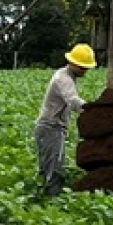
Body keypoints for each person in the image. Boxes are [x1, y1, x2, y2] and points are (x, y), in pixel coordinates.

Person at [34, 43, 96, 196]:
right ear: (73, 63)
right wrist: (95, 111)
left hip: (51, 127)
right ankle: (51, 206)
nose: (85, 71)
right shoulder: (64, 79)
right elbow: (73, 100)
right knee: (55, 170)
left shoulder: (67, 75)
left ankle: (43, 199)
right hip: (51, 128)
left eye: (86, 68)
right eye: (82, 67)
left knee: (49, 167)